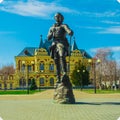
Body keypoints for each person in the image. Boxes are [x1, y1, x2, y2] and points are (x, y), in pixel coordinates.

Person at [47, 12, 73, 83]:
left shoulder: (63, 26)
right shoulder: (52, 27)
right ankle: (58, 77)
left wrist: (70, 32)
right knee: (56, 61)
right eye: (56, 17)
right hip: (54, 44)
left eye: (59, 17)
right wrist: (52, 32)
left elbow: (68, 30)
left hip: (62, 43)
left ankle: (64, 72)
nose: (57, 18)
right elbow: (48, 38)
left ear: (61, 18)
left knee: (61, 55)